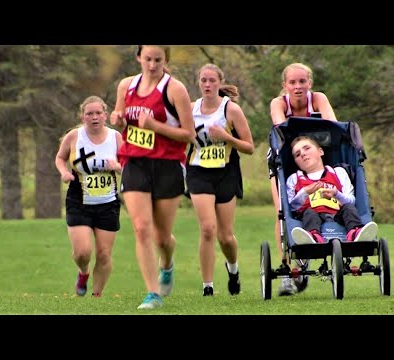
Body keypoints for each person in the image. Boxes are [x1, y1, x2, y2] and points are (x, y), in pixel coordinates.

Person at [110, 45, 196, 309]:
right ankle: (152, 293)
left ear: (165, 60)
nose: (152, 65)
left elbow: (189, 135)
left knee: (162, 237)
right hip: (134, 161)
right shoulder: (126, 85)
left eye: (158, 60)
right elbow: (123, 120)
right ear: (138, 58)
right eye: (147, 59)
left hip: (167, 165)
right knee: (141, 228)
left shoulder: (175, 89)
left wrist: (155, 126)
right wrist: (119, 121)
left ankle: (167, 264)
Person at [268, 62, 338, 296]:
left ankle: (310, 256)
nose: (298, 87)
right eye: (292, 83)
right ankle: (288, 271)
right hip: (283, 158)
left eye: (302, 82)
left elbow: (331, 124)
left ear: (309, 83)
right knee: (281, 212)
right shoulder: (279, 103)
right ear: (285, 85)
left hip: (313, 156)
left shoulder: (318, 99)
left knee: (319, 202)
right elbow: (281, 129)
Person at [186, 63, 254, 296]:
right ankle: (208, 287)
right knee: (207, 229)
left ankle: (233, 269)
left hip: (225, 172)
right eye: (203, 80)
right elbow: (179, 138)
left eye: (212, 80)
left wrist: (226, 137)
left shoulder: (231, 110)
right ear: (199, 83)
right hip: (198, 172)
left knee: (225, 236)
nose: (207, 84)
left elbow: (249, 147)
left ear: (219, 83)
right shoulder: (190, 109)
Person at [55, 95, 123, 298]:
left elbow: (128, 166)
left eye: (98, 113)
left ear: (105, 115)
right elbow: (60, 158)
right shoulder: (74, 137)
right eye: (89, 114)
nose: (94, 117)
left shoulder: (116, 138)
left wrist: (118, 167)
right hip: (79, 201)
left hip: (108, 203)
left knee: (103, 255)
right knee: (82, 253)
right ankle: (83, 273)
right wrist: (64, 172)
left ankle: (96, 296)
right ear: (83, 117)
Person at [287, 136, 378, 246]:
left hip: (338, 213)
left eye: (307, 148)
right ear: (296, 162)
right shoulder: (294, 179)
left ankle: (355, 233)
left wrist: (337, 194)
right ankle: (313, 236)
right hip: (311, 216)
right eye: (297, 154)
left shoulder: (338, 172)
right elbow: (291, 208)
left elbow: (351, 201)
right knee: (309, 213)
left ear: (321, 151)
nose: (302, 154)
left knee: (349, 208)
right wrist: (305, 192)